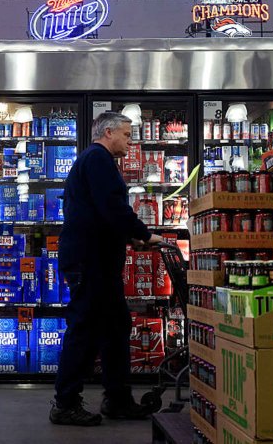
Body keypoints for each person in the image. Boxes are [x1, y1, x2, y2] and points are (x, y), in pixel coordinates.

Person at [50, 112, 163, 426]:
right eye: (127, 135)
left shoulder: (95, 160)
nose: (130, 141)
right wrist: (142, 233)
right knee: (84, 329)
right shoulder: (97, 159)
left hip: (97, 260)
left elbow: (104, 213)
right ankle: (65, 403)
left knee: (116, 328)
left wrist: (130, 235)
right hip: (91, 261)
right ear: (108, 132)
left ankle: (118, 399)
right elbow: (113, 207)